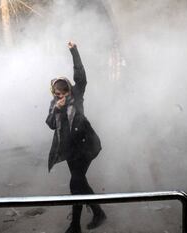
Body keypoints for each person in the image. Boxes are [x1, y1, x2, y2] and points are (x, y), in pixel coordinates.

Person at [46, 41, 106, 233]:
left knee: (76, 183)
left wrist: (74, 51)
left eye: (63, 94)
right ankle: (98, 213)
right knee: (80, 182)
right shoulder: (54, 103)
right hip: (70, 150)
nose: (60, 97)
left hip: (86, 146)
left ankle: (75, 225)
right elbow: (50, 124)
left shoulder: (77, 95)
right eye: (57, 94)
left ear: (69, 91)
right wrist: (56, 110)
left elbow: (81, 77)